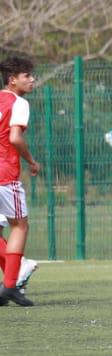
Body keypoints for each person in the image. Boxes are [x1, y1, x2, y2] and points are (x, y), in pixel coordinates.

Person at [0, 56, 42, 307]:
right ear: (12, 79)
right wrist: (32, 161)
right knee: (20, 225)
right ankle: (11, 284)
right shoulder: (19, 103)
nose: (32, 79)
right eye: (27, 76)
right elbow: (15, 137)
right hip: (5, 174)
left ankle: (10, 282)